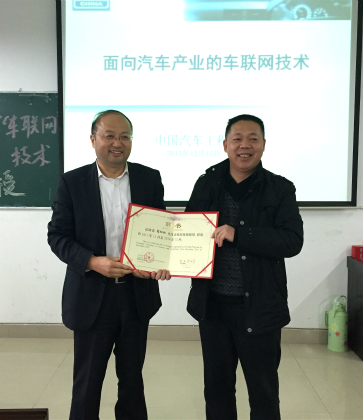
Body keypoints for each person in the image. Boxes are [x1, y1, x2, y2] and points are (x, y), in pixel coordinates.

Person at [47, 110, 171, 420]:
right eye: (109, 136)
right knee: (87, 383)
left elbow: (162, 231)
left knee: (132, 381)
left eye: (125, 136)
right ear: (93, 140)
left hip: (135, 295)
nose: (118, 143)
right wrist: (91, 261)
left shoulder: (149, 178)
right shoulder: (72, 182)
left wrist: (158, 262)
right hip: (92, 296)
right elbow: (58, 237)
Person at [185, 114, 303, 420]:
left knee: (263, 392)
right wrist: (167, 261)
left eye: (253, 139)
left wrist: (239, 235)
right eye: (237, 139)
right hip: (213, 307)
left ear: (264, 144)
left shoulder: (280, 188)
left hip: (260, 307)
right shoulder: (206, 183)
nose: (244, 145)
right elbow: (186, 234)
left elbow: (292, 241)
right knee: (217, 390)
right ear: (225, 144)